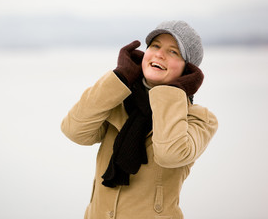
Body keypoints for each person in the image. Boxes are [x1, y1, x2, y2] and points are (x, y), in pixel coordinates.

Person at [61, 20, 218, 219]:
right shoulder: (116, 102)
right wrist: (120, 77)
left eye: (173, 52)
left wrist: (172, 92)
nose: (160, 54)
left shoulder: (199, 119)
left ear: (187, 70)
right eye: (155, 46)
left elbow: (170, 154)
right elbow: (74, 130)